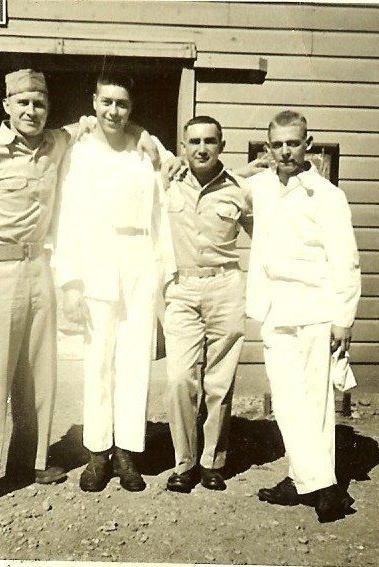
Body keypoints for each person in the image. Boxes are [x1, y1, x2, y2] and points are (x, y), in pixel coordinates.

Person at [0, 69, 158, 509]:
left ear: (48, 108)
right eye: (23, 103)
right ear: (7, 106)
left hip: (39, 268)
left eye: (39, 104)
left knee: (39, 377)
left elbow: (110, 123)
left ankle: (32, 462)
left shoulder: (59, 142)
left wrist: (146, 136)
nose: (31, 111)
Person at [55, 72, 175, 493]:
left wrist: (165, 274)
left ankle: (127, 451)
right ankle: (97, 452)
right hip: (96, 261)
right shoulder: (79, 153)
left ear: (131, 109)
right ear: (94, 102)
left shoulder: (146, 150)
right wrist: (70, 280)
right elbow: (68, 218)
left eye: (122, 103)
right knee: (98, 361)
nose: (113, 110)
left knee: (135, 360)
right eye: (106, 102)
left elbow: (162, 210)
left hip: (140, 260)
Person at [245, 110, 361, 522]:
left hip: (316, 308)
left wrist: (343, 317)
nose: (285, 152)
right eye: (277, 145)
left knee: (316, 401)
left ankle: (314, 485)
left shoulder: (327, 196)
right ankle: (315, 483)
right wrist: (248, 168)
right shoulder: (260, 187)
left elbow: (345, 259)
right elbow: (225, 187)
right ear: (268, 148)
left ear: (307, 144)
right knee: (287, 400)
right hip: (275, 307)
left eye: (293, 143)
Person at [163, 116, 252, 493]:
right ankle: (184, 462)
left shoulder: (240, 190)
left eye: (210, 141)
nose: (202, 149)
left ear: (222, 145)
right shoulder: (166, 182)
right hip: (182, 288)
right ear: (183, 146)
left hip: (225, 287)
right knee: (179, 378)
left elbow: (266, 238)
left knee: (219, 381)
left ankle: (212, 461)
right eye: (194, 141)